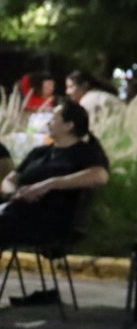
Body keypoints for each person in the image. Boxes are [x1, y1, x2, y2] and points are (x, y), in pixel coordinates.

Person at [0, 101, 110, 247]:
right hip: (18, 210)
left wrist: (49, 184)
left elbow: (100, 176)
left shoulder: (85, 153)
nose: (48, 123)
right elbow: (10, 179)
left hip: (50, 221)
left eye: (53, 119)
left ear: (68, 125)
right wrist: (15, 193)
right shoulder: (39, 153)